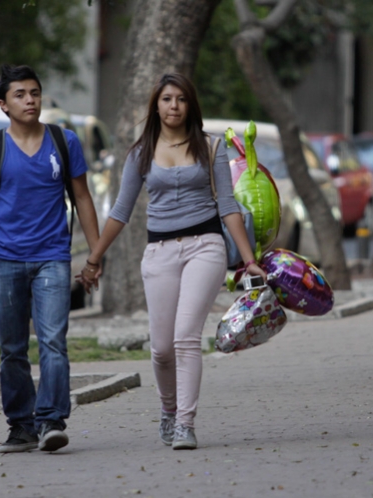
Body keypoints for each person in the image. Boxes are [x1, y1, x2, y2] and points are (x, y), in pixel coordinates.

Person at [77, 73, 266, 450]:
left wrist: (249, 262)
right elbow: (120, 211)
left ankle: (185, 423)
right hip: (159, 252)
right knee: (161, 347)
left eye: (180, 99)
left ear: (190, 105)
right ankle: (168, 410)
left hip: (205, 247)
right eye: (167, 99)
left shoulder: (211, 147)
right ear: (157, 105)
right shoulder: (140, 153)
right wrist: (94, 258)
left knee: (185, 338)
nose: (174, 106)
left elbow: (228, 206)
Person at [0, 65, 101, 453]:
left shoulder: (64, 141)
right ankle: (21, 424)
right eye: (20, 94)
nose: (30, 100)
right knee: (12, 347)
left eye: (35, 93)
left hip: (52, 257)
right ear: (4, 104)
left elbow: (83, 198)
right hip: (5, 259)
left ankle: (51, 420)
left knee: (54, 340)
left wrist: (95, 253)